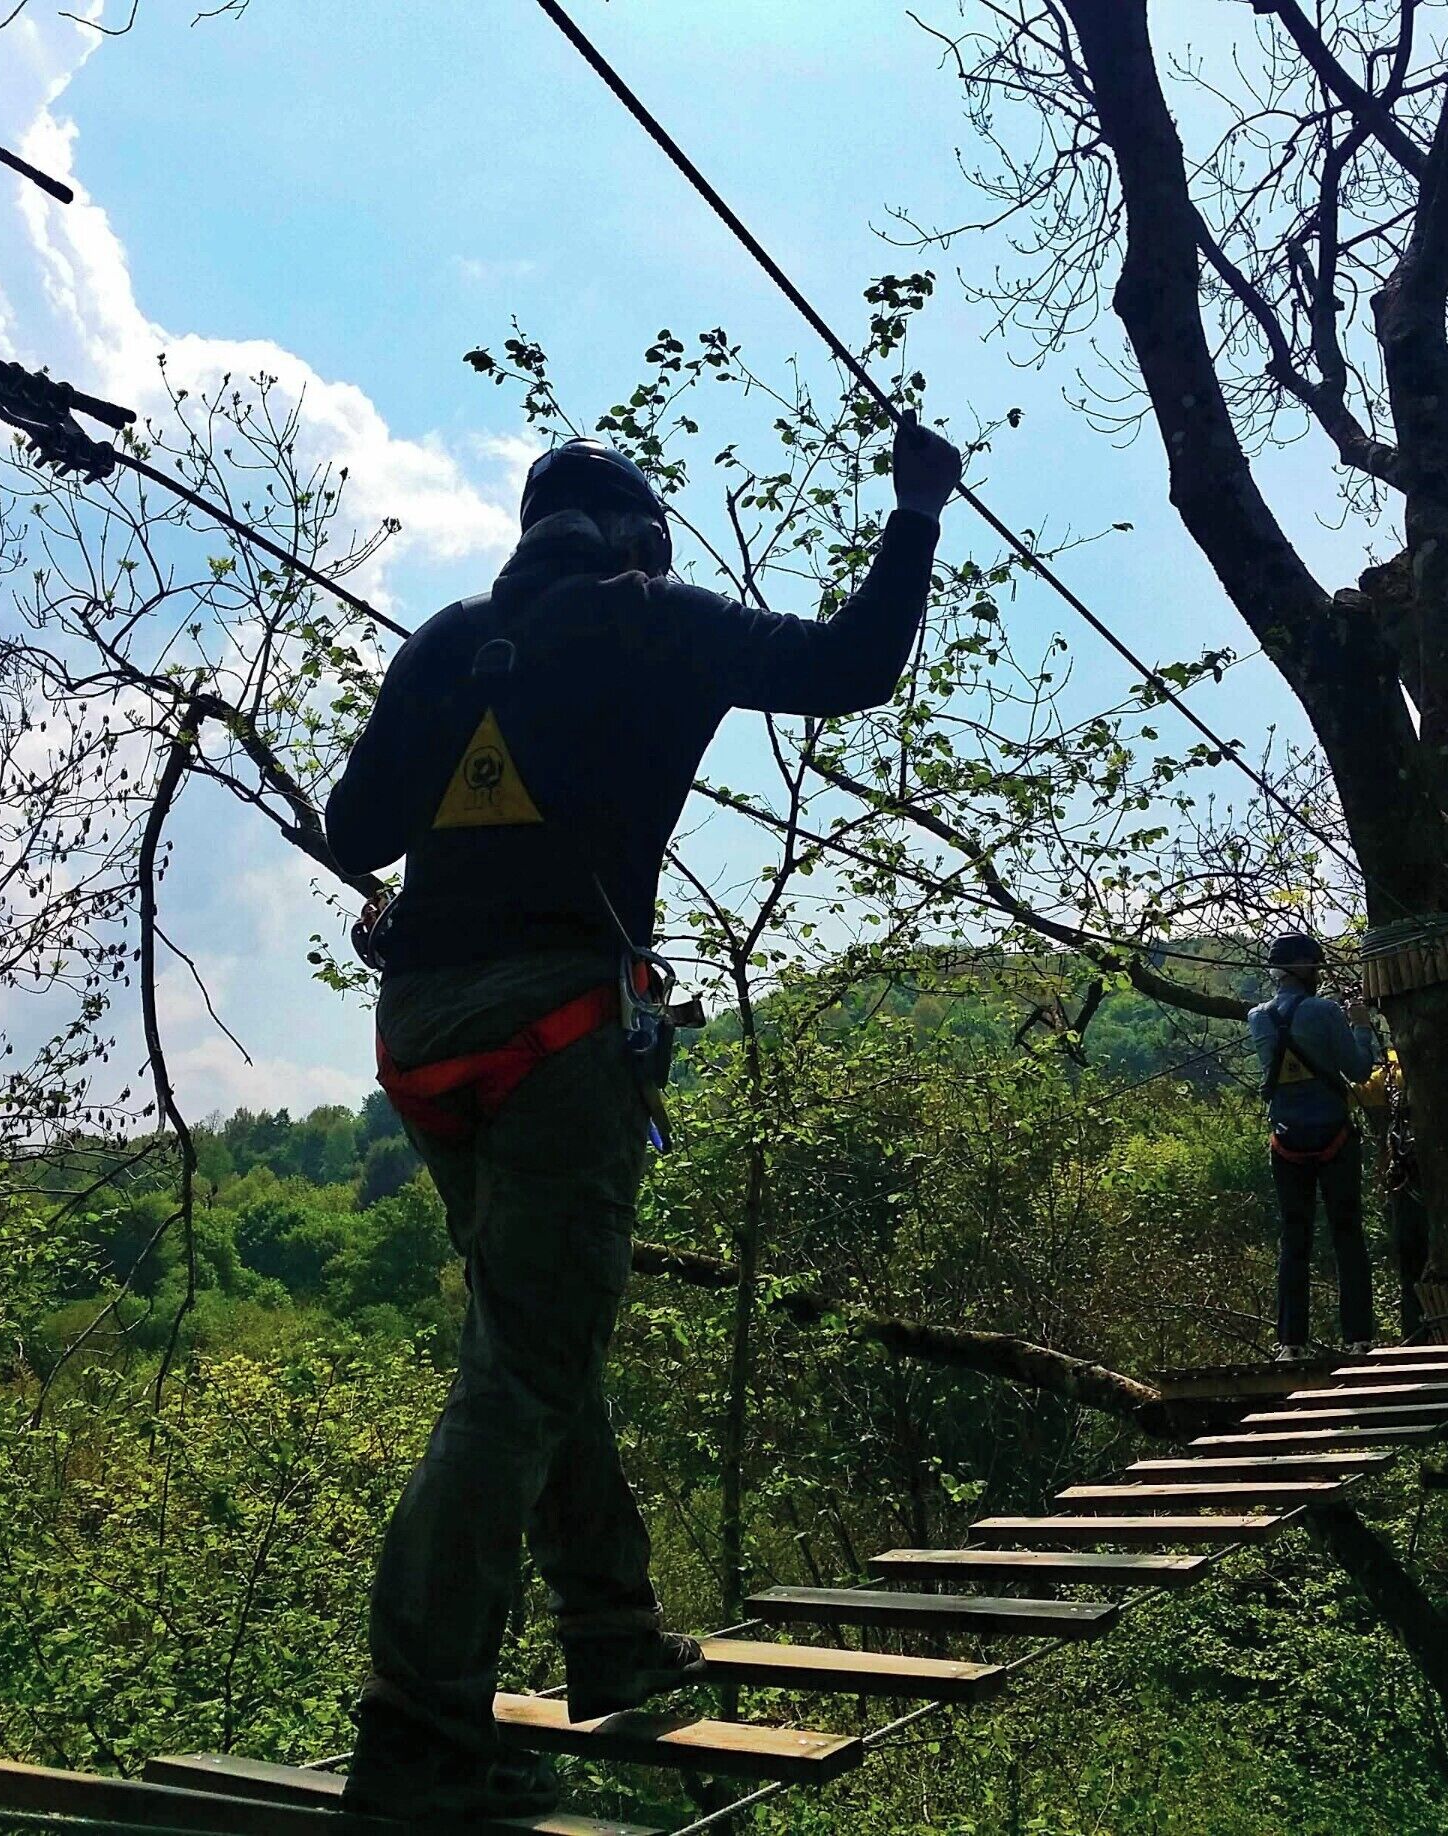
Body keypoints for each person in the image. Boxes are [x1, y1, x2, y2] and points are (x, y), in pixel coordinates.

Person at [322, 416, 966, 1821]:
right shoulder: (653, 619)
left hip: (426, 1039)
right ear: (636, 540)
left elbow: (350, 831)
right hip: (559, 1036)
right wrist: (916, 511)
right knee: (519, 1377)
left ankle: (611, 1633)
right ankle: (419, 1725)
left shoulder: (445, 642)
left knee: (537, 1346)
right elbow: (854, 665)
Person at [1247, 932, 1377, 1358]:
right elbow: (1358, 1070)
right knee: (1346, 1234)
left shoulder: (1257, 1019)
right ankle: (1359, 1337)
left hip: (1286, 1140)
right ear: (1304, 968)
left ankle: (1291, 1342)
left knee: (1294, 1238)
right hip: (1334, 1138)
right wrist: (1360, 1025)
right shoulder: (1323, 1011)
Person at [1352, 1046, 1429, 1341]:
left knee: (1411, 1266)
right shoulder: (1393, 1072)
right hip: (1420, 1179)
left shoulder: (1390, 1074)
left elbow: (1353, 1094)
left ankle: (1416, 1336)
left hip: (1406, 1181)